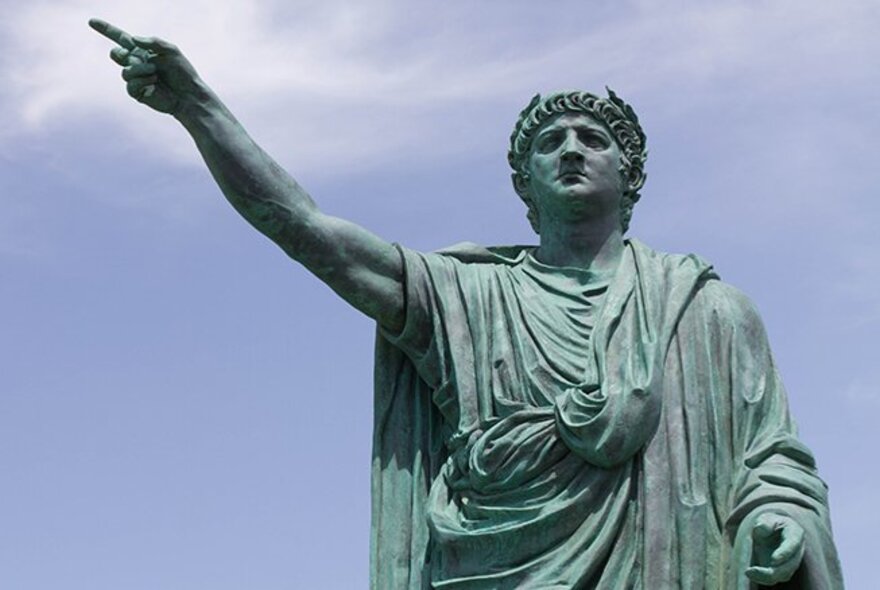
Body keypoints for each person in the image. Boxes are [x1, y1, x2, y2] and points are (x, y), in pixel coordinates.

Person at [90, 19, 844, 589]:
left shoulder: (710, 315)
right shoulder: (464, 295)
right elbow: (308, 231)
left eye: (592, 137)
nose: (571, 148)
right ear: (525, 184)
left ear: (631, 174)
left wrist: (778, 521)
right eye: (549, 141)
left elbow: (772, 460)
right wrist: (197, 108)